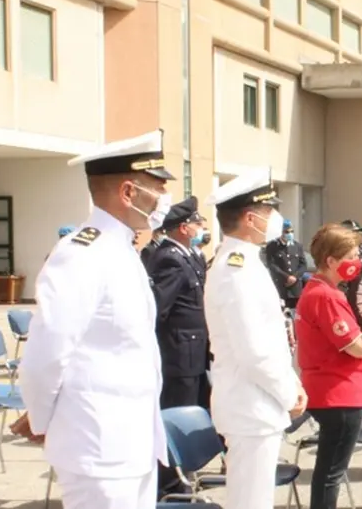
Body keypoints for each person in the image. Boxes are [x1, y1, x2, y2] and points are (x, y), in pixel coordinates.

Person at [13, 130, 173, 508]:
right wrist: (41, 419)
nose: (164, 199)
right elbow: (46, 354)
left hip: (131, 442)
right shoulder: (83, 253)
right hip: (97, 443)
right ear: (128, 193)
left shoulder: (121, 249)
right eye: (157, 188)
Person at [203, 171, 307, 509]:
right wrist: (287, 392)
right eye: (269, 211)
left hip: (258, 402)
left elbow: (269, 340)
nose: (275, 219)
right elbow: (253, 352)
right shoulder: (236, 268)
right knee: (250, 502)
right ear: (251, 218)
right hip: (250, 404)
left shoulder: (246, 262)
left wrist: (292, 381)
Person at [296, 223, 362, 509]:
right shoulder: (325, 296)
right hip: (337, 394)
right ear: (331, 261)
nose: (356, 263)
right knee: (331, 473)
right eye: (351, 257)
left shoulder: (324, 291)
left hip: (337, 392)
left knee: (329, 471)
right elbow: (358, 346)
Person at [146, 196, 211, 499]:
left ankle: (181, 471)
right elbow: (160, 308)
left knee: (191, 411)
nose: (202, 227)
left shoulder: (190, 255)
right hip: (179, 353)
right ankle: (168, 481)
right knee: (174, 417)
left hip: (194, 352)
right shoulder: (170, 257)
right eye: (199, 223)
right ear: (184, 228)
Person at [264, 219, 308, 317]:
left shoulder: (297, 246)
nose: (290, 234)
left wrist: (295, 277)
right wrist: (286, 277)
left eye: (291, 231)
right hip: (281, 286)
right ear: (281, 232)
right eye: (287, 232)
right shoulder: (272, 246)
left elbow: (303, 265)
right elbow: (272, 265)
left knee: (297, 315)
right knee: (281, 314)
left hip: (295, 287)